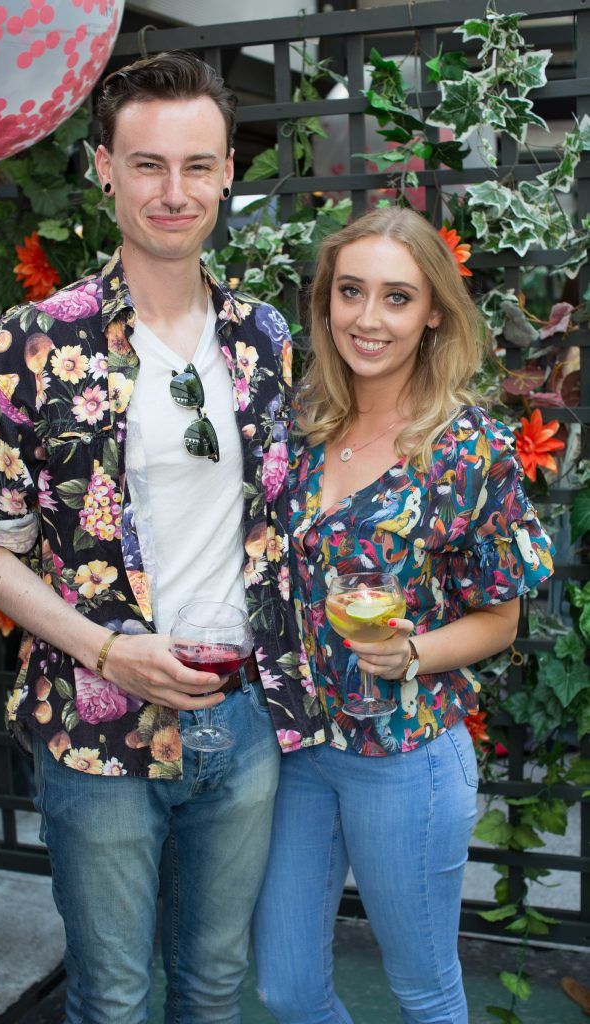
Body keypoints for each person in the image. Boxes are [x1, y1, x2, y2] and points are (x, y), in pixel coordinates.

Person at [0, 51, 320, 1024]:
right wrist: (111, 649)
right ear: (103, 167)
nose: (173, 189)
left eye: (196, 164)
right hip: (94, 729)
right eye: (146, 164)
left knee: (214, 988)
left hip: (238, 724)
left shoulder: (264, 339)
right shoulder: (31, 342)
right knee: (110, 999)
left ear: (228, 169)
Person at [252, 206, 555, 1024]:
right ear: (325, 303)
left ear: (431, 314)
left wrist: (415, 652)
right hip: (297, 749)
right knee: (284, 984)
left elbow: (502, 619)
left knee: (422, 989)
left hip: (406, 753)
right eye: (350, 292)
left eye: (395, 297)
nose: (367, 318)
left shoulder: (469, 449)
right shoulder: (296, 426)